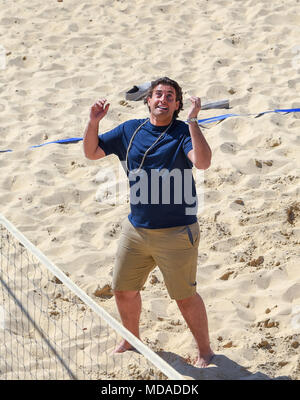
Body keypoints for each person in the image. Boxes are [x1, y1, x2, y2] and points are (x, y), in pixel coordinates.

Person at [83, 77, 214, 367]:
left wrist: (193, 122)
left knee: (184, 296)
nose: (163, 99)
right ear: (148, 100)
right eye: (158, 94)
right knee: (123, 289)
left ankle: (205, 350)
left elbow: (203, 162)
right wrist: (94, 122)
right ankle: (131, 338)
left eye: (170, 96)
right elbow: (91, 153)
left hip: (176, 232)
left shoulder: (182, 132)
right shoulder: (131, 129)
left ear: (177, 105)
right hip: (136, 229)